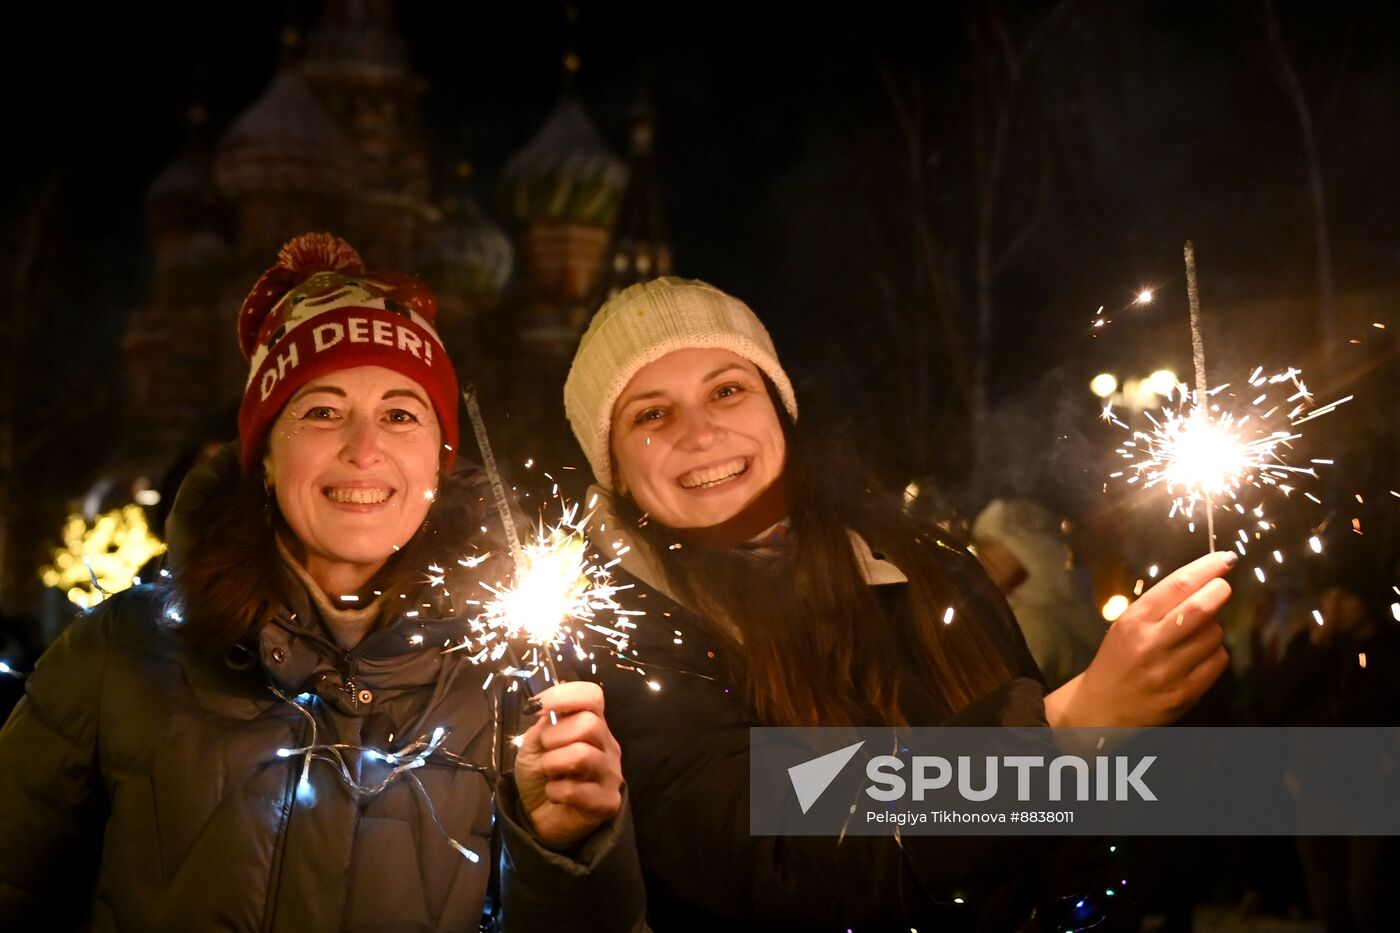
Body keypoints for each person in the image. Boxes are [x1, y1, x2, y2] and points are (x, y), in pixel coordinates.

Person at [0, 234, 644, 931]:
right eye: (322, 411)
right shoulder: (120, 655)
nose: (363, 449)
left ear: (439, 459)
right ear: (267, 455)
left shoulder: (515, 689)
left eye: (401, 414)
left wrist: (568, 851)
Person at [561, 277, 1235, 930]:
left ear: (778, 406)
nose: (701, 433)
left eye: (728, 390)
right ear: (613, 466)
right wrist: (1059, 730)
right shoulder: (616, 638)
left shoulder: (925, 563)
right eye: (651, 413)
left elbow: (1076, 846)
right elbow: (771, 843)